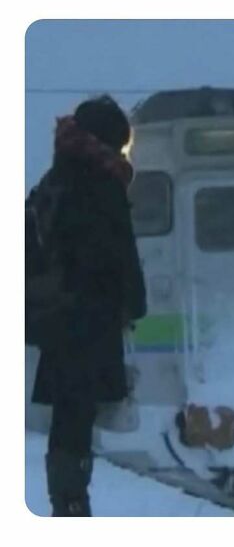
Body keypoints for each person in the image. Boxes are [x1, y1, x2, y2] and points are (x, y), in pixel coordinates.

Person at [29, 96, 147, 516]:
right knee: (78, 415)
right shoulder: (98, 182)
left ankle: (66, 500)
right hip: (87, 317)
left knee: (69, 415)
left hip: (57, 318)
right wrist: (135, 301)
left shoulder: (54, 179)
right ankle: (72, 504)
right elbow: (115, 251)